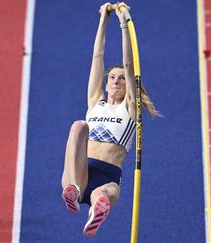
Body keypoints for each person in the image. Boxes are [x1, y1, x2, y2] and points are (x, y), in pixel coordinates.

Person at [61, 2, 161, 238]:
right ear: (106, 84)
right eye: (112, 78)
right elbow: (97, 56)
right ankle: (73, 191)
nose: (116, 81)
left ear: (129, 86)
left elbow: (129, 64)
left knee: (106, 194)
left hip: (108, 175)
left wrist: (124, 23)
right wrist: (103, 20)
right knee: (78, 126)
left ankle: (96, 211)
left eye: (121, 79)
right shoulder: (96, 102)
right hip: (80, 170)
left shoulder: (130, 108)